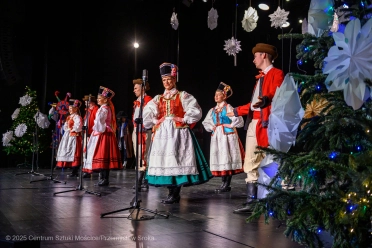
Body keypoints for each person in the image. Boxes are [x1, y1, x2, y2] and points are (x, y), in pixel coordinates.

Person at [143, 62, 213, 204]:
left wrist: (183, 118)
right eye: (164, 80)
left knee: (177, 158)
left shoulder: (183, 95)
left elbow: (195, 111)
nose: (166, 82)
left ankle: (175, 193)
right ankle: (171, 192)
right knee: (166, 161)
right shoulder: (158, 99)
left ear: (174, 80)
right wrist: (156, 121)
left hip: (178, 132)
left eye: (169, 79)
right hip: (163, 133)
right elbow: (147, 114)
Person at [226, 43, 284, 213]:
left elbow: (277, 94)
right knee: (250, 161)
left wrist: (266, 99)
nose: (253, 60)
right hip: (254, 124)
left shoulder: (277, 73)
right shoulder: (259, 78)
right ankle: (251, 202)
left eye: (255, 56)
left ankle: (273, 199)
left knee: (272, 160)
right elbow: (253, 105)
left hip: (268, 124)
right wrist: (237, 111)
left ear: (264, 55)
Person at [202, 82, 245, 192]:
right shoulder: (213, 110)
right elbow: (206, 121)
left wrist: (231, 125)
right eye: (215, 94)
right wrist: (213, 127)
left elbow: (238, 119)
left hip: (227, 135)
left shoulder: (228, 107)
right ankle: (223, 183)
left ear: (224, 96)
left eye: (218, 94)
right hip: (217, 135)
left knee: (227, 156)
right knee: (221, 157)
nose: (216, 96)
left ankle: (227, 183)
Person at [83, 86, 122, 186]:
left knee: (104, 156)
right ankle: (103, 178)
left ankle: (105, 178)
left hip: (104, 134)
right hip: (101, 133)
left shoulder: (104, 109)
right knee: (102, 156)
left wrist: (97, 129)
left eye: (99, 98)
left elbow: (100, 123)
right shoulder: (103, 108)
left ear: (105, 99)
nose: (97, 100)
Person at [132, 78, 152, 191]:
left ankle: (142, 181)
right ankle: (142, 180)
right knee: (138, 154)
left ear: (143, 89)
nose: (134, 90)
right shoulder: (138, 101)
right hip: (137, 130)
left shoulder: (148, 100)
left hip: (144, 131)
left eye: (136, 88)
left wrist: (144, 126)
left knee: (143, 154)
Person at [56, 99, 83, 177]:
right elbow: (65, 126)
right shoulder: (69, 117)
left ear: (76, 109)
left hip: (74, 136)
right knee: (67, 150)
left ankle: (75, 170)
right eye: (70, 109)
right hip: (68, 135)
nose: (70, 110)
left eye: (72, 109)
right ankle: (72, 170)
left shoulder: (77, 117)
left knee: (74, 152)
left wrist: (72, 129)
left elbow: (79, 126)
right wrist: (67, 128)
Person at [81, 94, 99, 178]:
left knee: (90, 151)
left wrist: (90, 132)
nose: (85, 103)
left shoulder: (96, 109)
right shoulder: (88, 110)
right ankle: (86, 169)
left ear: (90, 102)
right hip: (86, 133)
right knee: (86, 151)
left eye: (86, 101)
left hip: (92, 134)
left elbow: (96, 122)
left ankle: (91, 169)